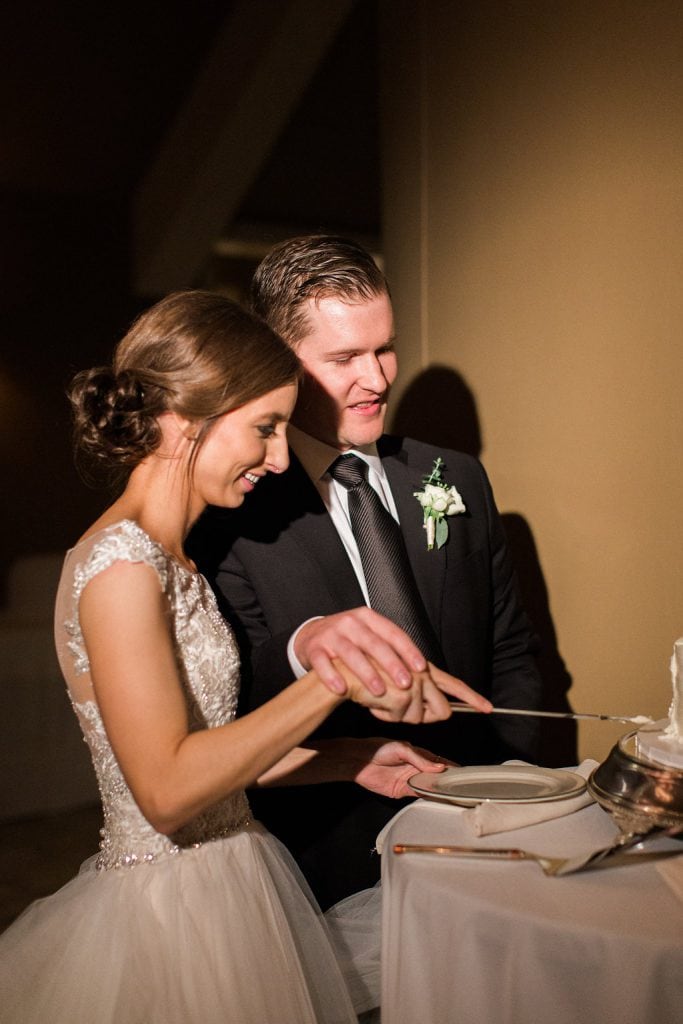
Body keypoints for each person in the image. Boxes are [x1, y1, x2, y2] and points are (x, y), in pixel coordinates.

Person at [0, 290, 490, 1024]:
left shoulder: (175, 560)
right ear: (181, 418)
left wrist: (348, 757)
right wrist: (331, 679)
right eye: (263, 428)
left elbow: (207, 761)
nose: (279, 456)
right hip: (170, 917)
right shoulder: (121, 567)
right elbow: (164, 791)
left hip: (237, 878)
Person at [187, 236, 543, 907]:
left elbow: (510, 647)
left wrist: (507, 786)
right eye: (344, 357)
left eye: (383, 348)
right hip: (322, 858)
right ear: (276, 359)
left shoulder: (455, 476)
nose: (378, 379)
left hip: (485, 832)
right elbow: (232, 695)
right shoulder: (232, 510)